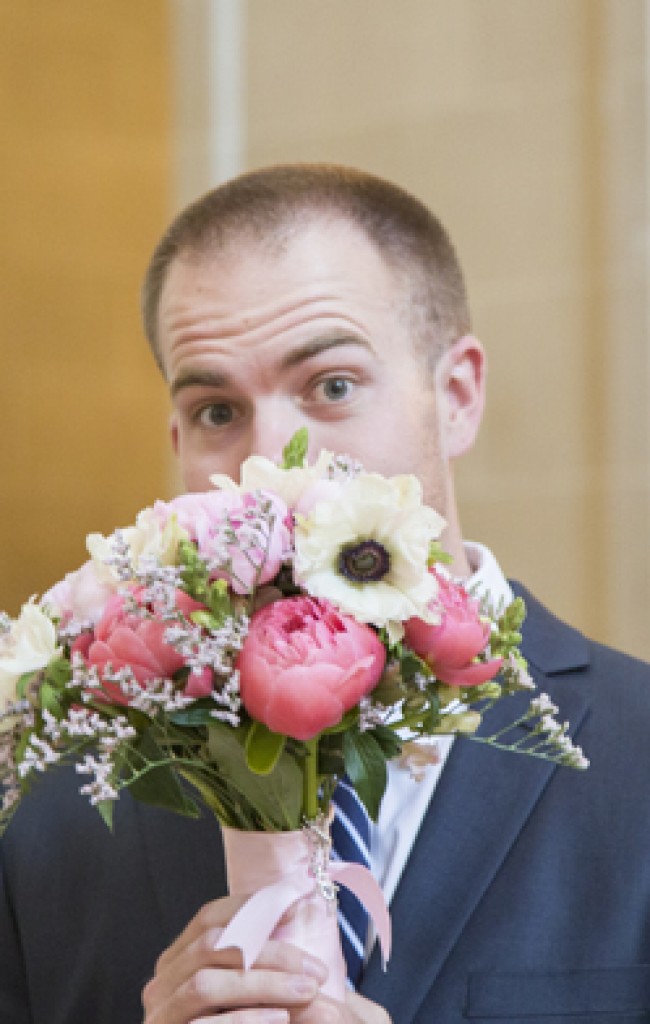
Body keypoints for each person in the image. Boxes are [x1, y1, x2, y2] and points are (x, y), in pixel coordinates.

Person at [2, 165, 650, 1024]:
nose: (272, 464)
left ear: (455, 397)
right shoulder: (49, 826)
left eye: (332, 387)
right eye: (216, 411)